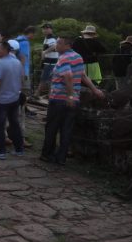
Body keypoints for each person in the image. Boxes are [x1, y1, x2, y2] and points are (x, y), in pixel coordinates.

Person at [40, 36, 104, 164]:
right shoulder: (78, 57)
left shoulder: (63, 58)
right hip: (74, 99)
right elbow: (83, 75)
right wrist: (94, 90)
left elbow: (68, 76)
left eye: (59, 43)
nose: (56, 45)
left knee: (52, 127)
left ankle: (47, 154)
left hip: (59, 99)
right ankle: (61, 157)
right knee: (66, 129)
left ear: (67, 45)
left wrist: (68, 96)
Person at [0, 41, 25, 159]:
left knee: (0, 125)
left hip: (2, 99)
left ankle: (1, 152)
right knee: (14, 123)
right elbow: (22, 78)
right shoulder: (17, 62)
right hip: (15, 97)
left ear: (4, 50)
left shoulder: (1, 63)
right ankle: (19, 149)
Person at [36, 23, 58, 98]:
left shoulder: (52, 38)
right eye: (43, 28)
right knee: (50, 79)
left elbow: (54, 46)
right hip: (48, 61)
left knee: (44, 78)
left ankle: (37, 94)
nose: (44, 30)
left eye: (46, 28)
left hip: (50, 62)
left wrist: (45, 52)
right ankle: (50, 95)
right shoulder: (47, 38)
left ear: (50, 29)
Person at [15, 26, 36, 92]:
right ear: (30, 33)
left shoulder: (18, 39)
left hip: (15, 68)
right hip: (23, 71)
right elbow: (23, 58)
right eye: (34, 34)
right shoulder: (25, 42)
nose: (34, 36)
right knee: (25, 91)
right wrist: (25, 74)